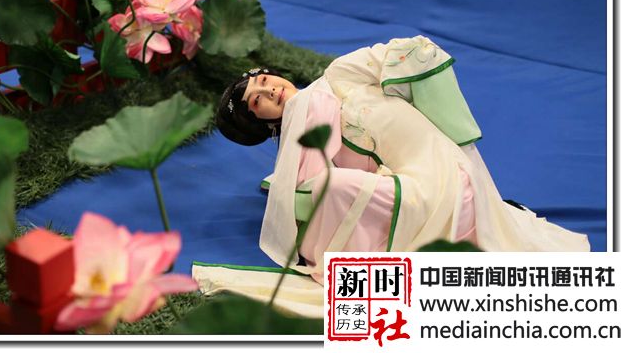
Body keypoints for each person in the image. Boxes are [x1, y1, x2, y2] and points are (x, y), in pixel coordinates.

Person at [216, 36, 590, 281]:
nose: (269, 91)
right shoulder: (298, 141)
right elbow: (310, 180)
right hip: (416, 184)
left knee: (331, 187)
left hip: (444, 170)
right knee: (331, 186)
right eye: (257, 101)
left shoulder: (337, 76)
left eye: (264, 81)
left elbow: (384, 57)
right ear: (260, 122)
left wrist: (408, 54)